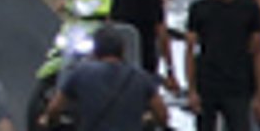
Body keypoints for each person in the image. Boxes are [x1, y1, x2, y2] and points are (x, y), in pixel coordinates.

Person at [186, 0, 260, 131]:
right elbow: (190, 51)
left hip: (237, 86)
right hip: (207, 84)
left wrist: (259, 96)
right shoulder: (199, 9)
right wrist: (192, 91)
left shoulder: (249, 10)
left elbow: (257, 52)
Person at [38, 27, 166, 131]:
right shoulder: (141, 77)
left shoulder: (80, 73)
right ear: (122, 51)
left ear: (94, 52)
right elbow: (162, 115)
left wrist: (48, 120)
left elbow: (55, 108)